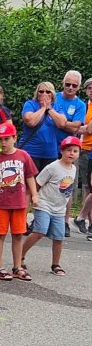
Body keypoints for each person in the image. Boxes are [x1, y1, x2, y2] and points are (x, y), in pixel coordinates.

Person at [0, 122, 39, 281]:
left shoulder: (23, 156)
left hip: (19, 203)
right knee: (0, 235)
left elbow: (29, 176)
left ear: (14, 138)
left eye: (6, 139)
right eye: (0, 140)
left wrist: (34, 195)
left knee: (17, 235)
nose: (3, 143)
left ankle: (17, 267)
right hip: (1, 203)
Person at [21, 136, 80, 276]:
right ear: (62, 151)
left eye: (75, 151)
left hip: (59, 208)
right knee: (39, 231)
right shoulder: (52, 167)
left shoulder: (73, 169)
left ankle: (56, 264)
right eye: (68, 150)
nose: (71, 153)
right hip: (44, 204)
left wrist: (66, 207)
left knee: (59, 237)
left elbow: (68, 189)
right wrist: (34, 198)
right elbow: (37, 183)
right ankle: (20, 255)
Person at [54, 70, 86, 236]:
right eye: (68, 84)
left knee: (66, 186)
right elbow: (69, 125)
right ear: (62, 83)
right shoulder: (54, 97)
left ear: (79, 87)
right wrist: (69, 124)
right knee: (44, 184)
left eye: (74, 85)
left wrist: (61, 122)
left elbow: (77, 126)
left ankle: (64, 221)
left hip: (68, 149)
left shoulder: (80, 104)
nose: (70, 87)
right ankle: (40, 219)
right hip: (50, 145)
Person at [19, 82, 65, 171]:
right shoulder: (30, 104)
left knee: (48, 183)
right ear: (37, 93)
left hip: (50, 154)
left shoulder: (57, 107)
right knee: (31, 183)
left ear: (52, 94)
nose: (44, 94)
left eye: (48, 92)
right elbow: (31, 121)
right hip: (30, 153)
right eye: (41, 91)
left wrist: (49, 109)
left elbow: (62, 123)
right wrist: (43, 108)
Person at [72, 77, 92, 234]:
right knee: (87, 186)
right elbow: (75, 127)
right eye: (89, 88)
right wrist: (84, 128)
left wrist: (84, 128)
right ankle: (85, 220)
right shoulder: (84, 106)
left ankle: (82, 218)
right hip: (86, 148)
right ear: (85, 91)